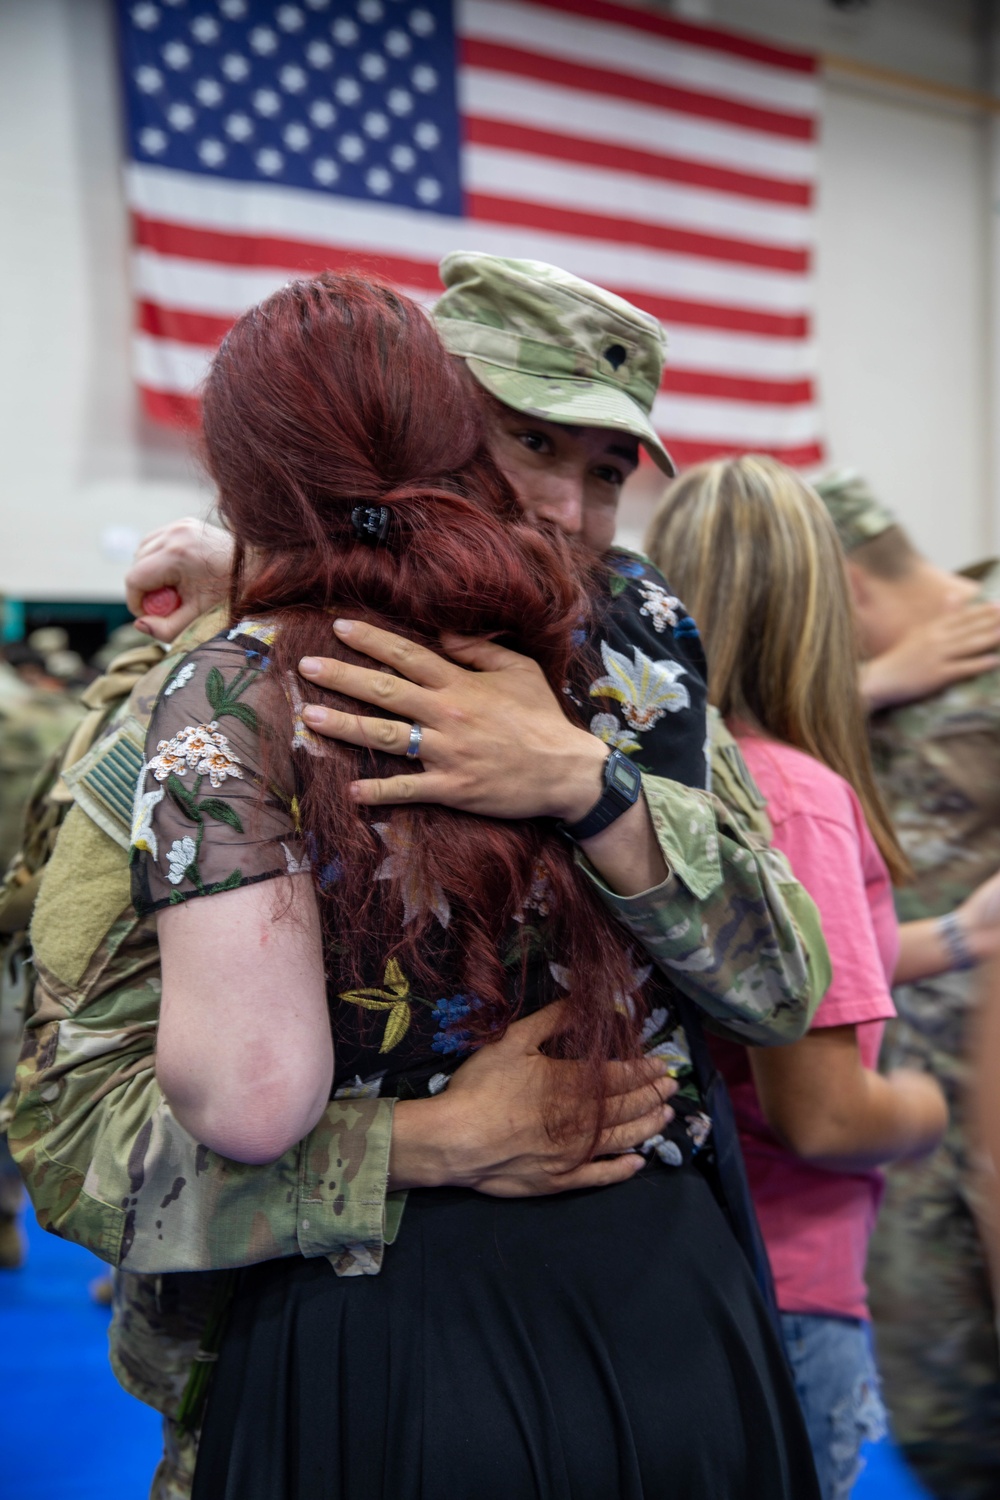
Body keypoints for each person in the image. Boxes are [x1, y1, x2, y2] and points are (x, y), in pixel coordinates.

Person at [11, 257, 829, 1497]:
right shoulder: (206, 707)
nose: (562, 509)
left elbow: (781, 989)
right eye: (525, 444)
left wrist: (586, 785)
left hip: (654, 1319)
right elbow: (70, 1130)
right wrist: (425, 1144)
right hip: (333, 1343)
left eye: (608, 473)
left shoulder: (634, 696)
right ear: (421, 435)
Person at [640, 456, 1000, 1497]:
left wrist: (953, 939)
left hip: (682, 1267)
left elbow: (763, 968)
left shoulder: (654, 778)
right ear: (824, 602)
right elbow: (826, 1117)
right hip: (787, 1273)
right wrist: (937, 1109)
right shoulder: (794, 796)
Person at [813, 470, 1000, 1500]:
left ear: (845, 583)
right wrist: (877, 683)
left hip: (979, 1061)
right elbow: (717, 748)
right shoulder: (852, 681)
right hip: (883, 1081)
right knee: (920, 1387)